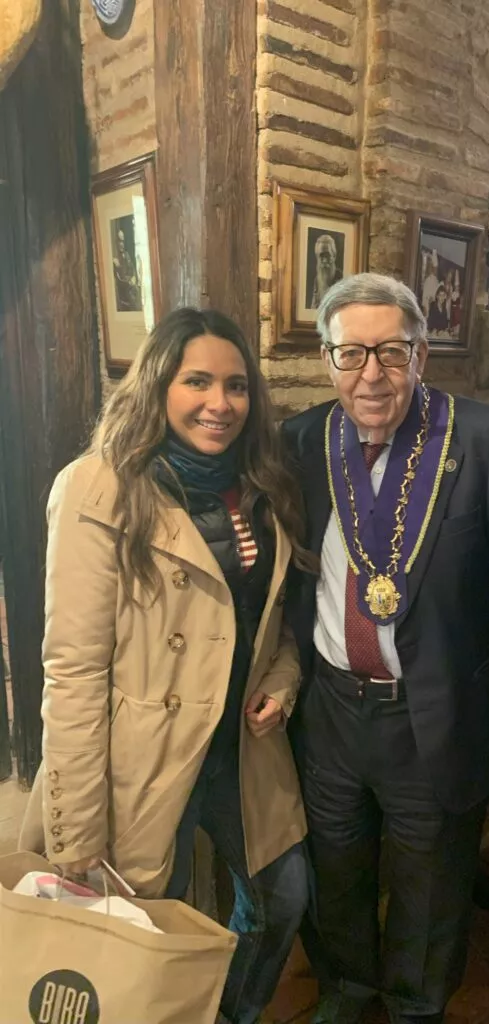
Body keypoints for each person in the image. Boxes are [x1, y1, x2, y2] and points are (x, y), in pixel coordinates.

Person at [20, 307, 312, 1024]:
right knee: (148, 928)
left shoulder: (263, 483)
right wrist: (77, 830)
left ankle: (228, 1013)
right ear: (158, 385)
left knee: (284, 897)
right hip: (140, 758)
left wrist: (282, 679)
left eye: (237, 386)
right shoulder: (98, 488)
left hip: (240, 745)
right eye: (198, 381)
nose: (220, 403)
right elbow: (74, 670)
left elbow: (274, 621)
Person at [283, 273, 489, 1024]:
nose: (372, 374)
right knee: (336, 866)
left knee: (431, 886)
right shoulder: (303, 441)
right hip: (331, 712)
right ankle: (346, 989)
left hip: (431, 713)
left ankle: (416, 1006)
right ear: (327, 359)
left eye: (392, 353)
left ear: (421, 356)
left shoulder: (485, 438)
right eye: (352, 353)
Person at [312, 234, 344, 307]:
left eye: (327, 255)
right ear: (317, 258)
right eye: (321, 256)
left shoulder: (342, 279)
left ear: (334, 256)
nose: (325, 260)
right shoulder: (317, 280)